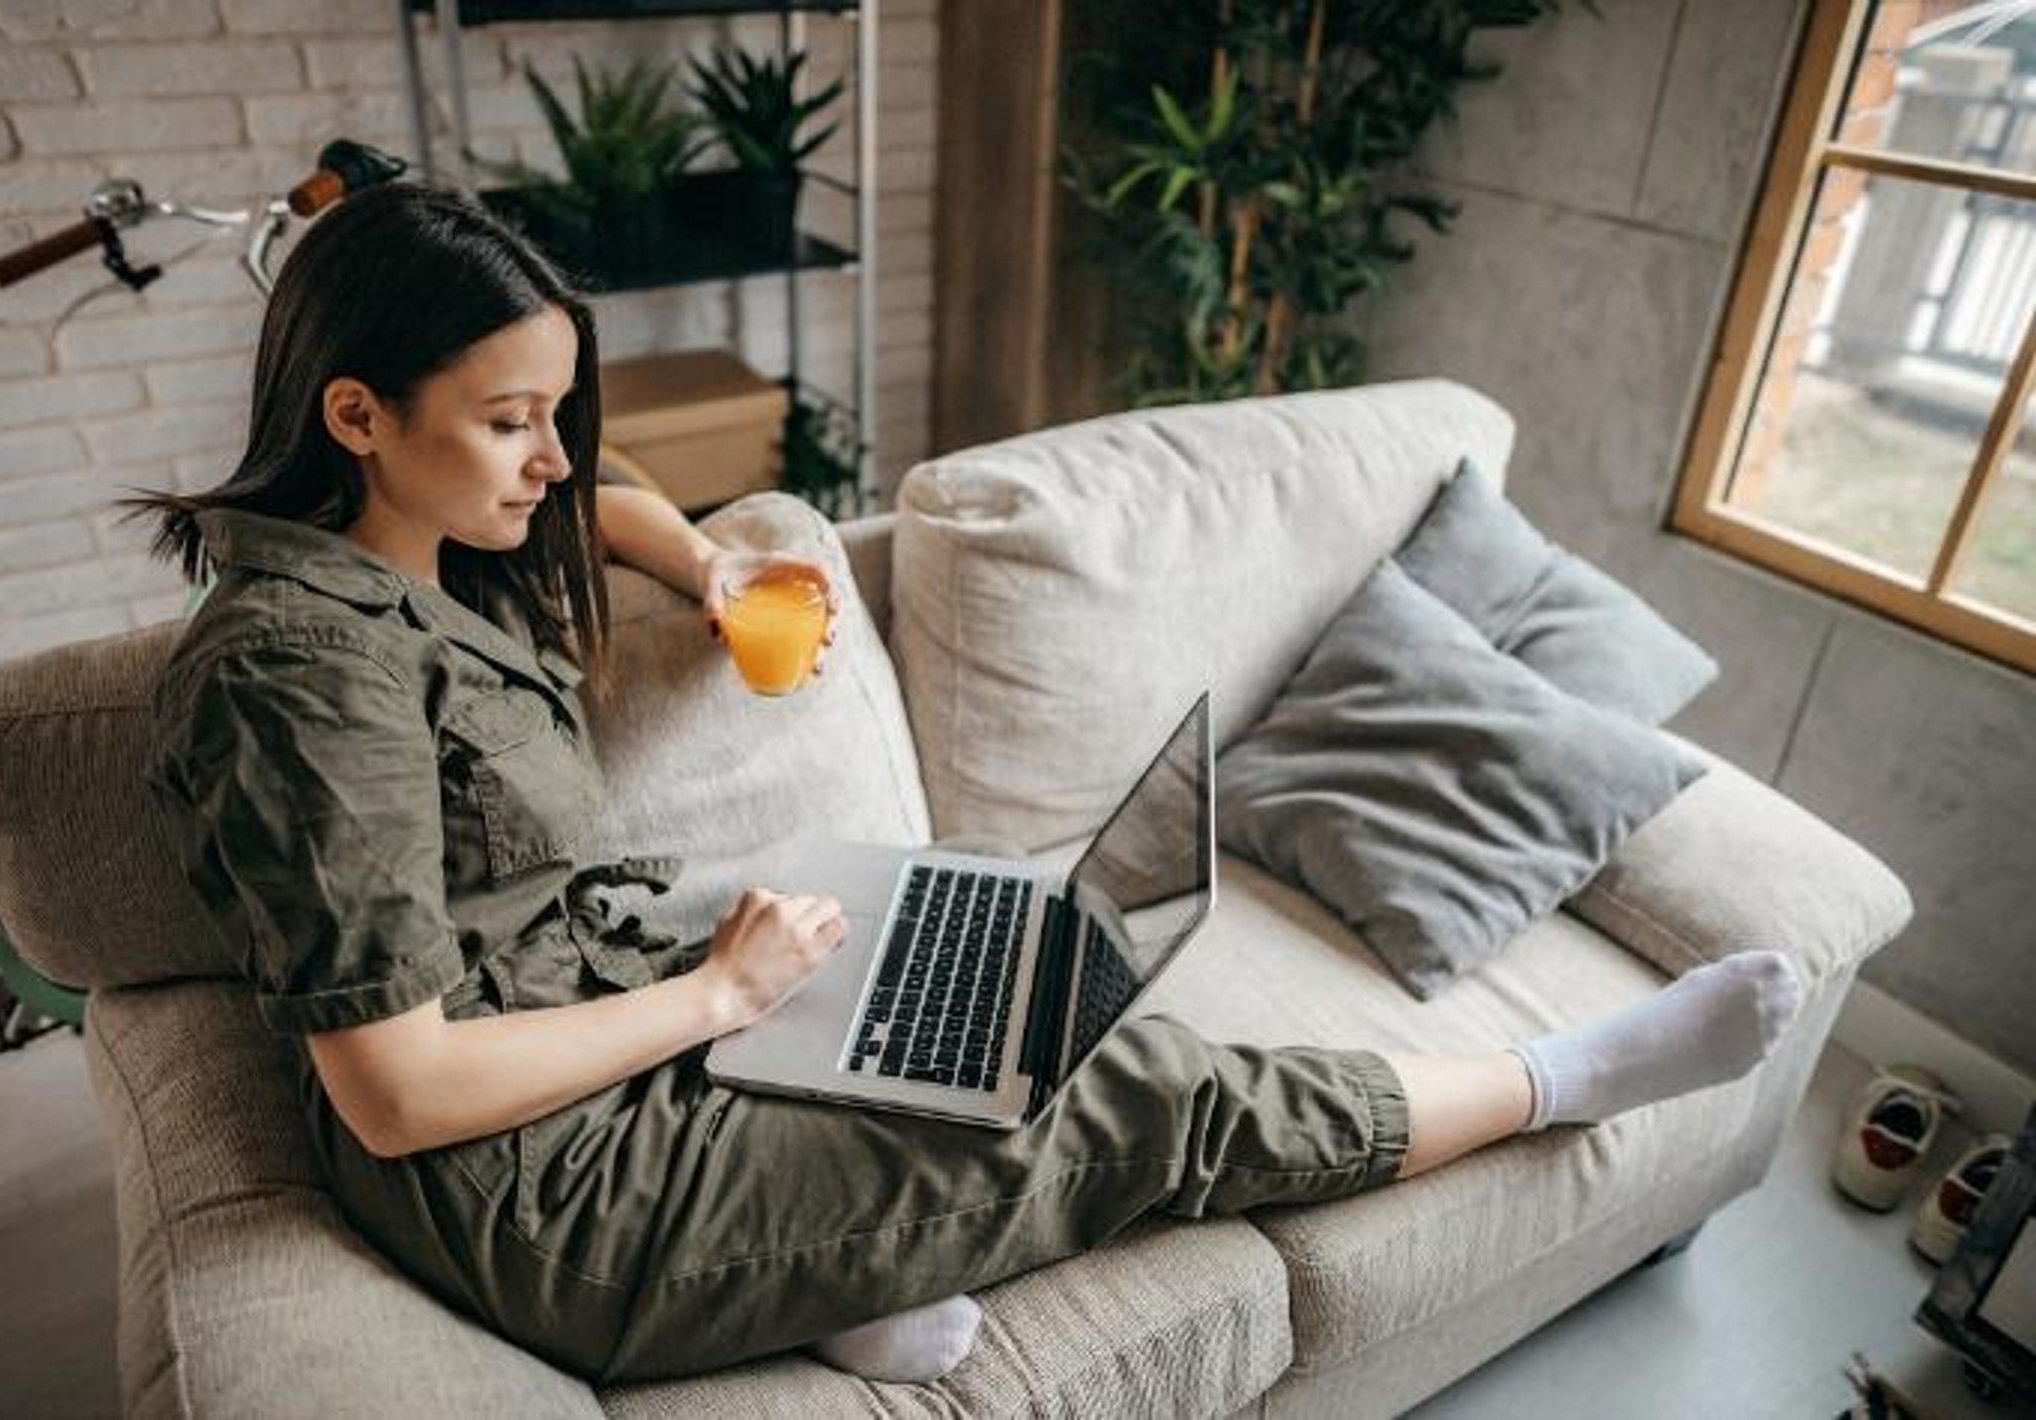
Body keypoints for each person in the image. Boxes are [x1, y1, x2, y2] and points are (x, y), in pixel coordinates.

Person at [123, 182, 1805, 1388]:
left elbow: (598, 504)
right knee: (1121, 1091)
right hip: (541, 1188)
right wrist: (718, 992)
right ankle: (1563, 1078)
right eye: (512, 420)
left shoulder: (429, 542)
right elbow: (398, 1095)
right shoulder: (292, 676)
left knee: (976, 962)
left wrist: (706, 565)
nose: (555, 459)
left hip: (600, 1012)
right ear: (356, 411)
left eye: (561, 410)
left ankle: (837, 1262)